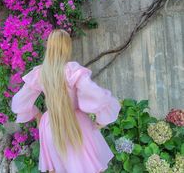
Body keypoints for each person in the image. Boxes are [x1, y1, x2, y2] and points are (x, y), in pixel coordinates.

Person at [11, 29, 121, 173]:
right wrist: (102, 119)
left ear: (49, 46)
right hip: (77, 125)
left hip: (51, 126)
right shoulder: (72, 71)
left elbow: (18, 103)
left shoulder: (40, 73)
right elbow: (97, 95)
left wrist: (37, 114)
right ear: (67, 46)